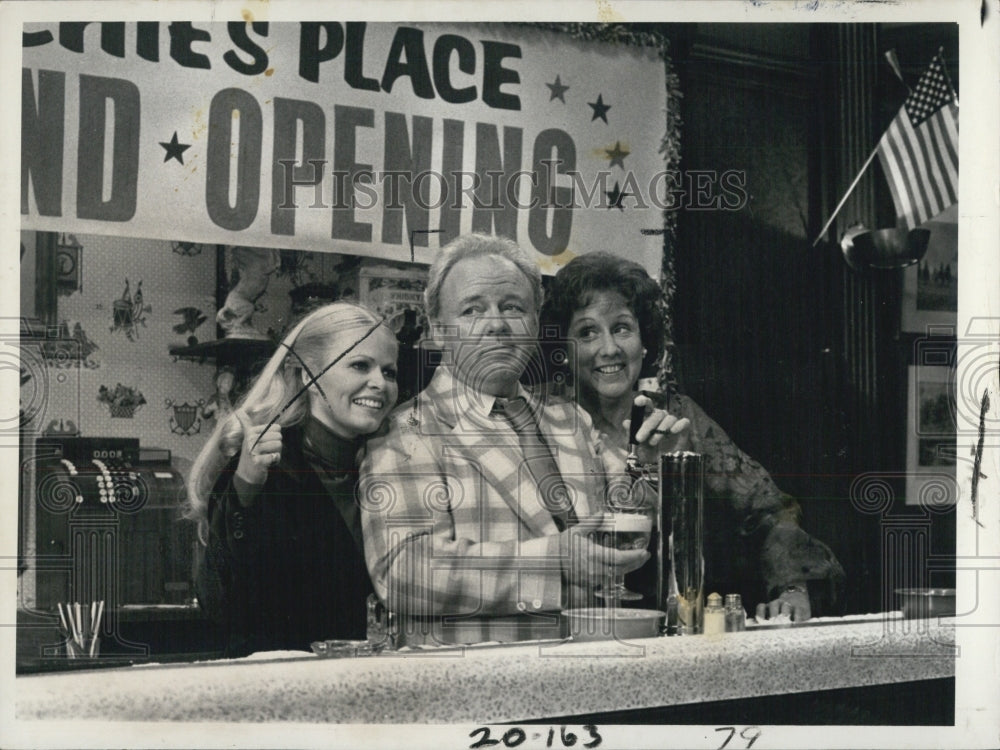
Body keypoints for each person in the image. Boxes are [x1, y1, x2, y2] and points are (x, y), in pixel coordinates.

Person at [358, 235, 661, 646]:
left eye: (513, 307)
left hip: (596, 671)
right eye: (473, 309)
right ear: (438, 331)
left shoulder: (569, 418)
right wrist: (554, 560)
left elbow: (617, 522)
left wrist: (644, 464)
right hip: (483, 690)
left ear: (535, 324)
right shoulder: (406, 431)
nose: (496, 323)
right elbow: (404, 571)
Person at [542, 252, 845, 621]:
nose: (609, 348)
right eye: (587, 332)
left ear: (644, 341)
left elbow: (766, 510)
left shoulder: (680, 416)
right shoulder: (543, 418)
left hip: (673, 626)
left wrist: (792, 587)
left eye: (622, 327)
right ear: (565, 350)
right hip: (565, 625)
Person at [187, 302, 399, 655]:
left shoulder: (387, 464)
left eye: (389, 372)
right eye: (360, 365)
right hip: (280, 689)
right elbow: (221, 604)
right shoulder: (263, 465)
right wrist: (247, 483)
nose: (379, 383)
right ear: (306, 375)